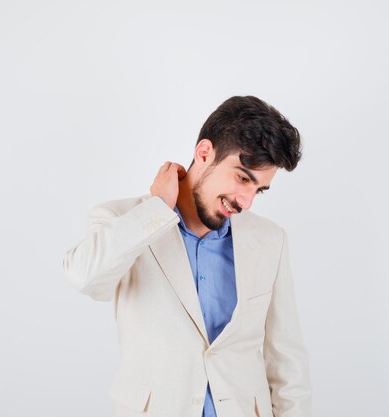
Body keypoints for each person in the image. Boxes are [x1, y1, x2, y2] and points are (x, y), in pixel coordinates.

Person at [62, 96, 312, 417]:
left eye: (258, 189)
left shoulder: (269, 240)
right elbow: (85, 278)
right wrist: (156, 210)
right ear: (204, 153)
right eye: (242, 178)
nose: (246, 201)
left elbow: (286, 360)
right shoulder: (123, 219)